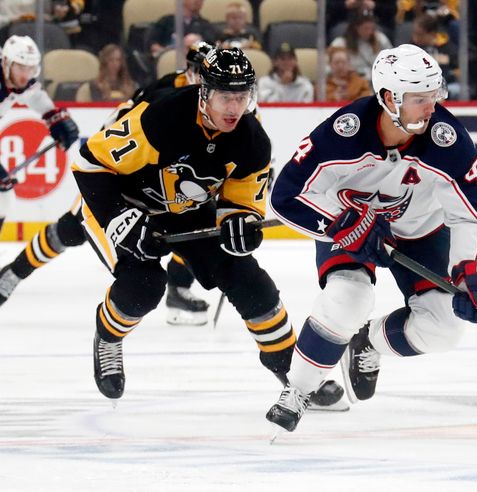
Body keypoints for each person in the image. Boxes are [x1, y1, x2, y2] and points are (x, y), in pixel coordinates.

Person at [68, 47, 345, 411]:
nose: (234, 107)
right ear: (204, 93)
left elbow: (241, 202)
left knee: (249, 281)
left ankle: (294, 374)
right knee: (144, 286)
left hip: (187, 211)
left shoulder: (251, 140)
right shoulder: (162, 117)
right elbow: (88, 161)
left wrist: (239, 224)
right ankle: (107, 337)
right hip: (124, 203)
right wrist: (120, 218)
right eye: (225, 97)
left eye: (241, 96)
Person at [266, 44, 477, 432]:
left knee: (444, 326)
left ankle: (368, 343)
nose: (431, 108)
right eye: (420, 99)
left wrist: (471, 271)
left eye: (434, 97)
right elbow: (285, 196)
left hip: (420, 230)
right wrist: (340, 223)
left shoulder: (447, 138)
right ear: (389, 98)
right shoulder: (344, 132)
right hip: (350, 226)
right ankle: (300, 389)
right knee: (347, 298)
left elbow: (470, 213)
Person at [0, 42, 214, 327]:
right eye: (202, 74)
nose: (207, 84)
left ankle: (178, 288)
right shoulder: (164, 92)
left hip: (168, 178)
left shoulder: (220, 98)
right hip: (125, 172)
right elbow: (120, 127)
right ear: (189, 71)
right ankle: (14, 272)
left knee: (198, 225)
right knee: (72, 230)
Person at [0, 35, 79, 236]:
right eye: (21, 68)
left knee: (3, 196)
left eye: (30, 69)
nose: (26, 75)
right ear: (6, 62)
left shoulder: (15, 80)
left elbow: (34, 96)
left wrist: (54, 117)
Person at [330, 13, 393, 82]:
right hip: (350, 82)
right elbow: (327, 67)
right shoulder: (340, 43)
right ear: (356, 27)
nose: (369, 32)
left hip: (377, 80)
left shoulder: (380, 39)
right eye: (366, 28)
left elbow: (392, 59)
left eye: (372, 29)